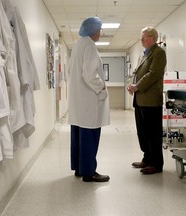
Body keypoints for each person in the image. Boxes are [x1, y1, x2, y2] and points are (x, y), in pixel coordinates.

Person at [68, 17, 110, 182]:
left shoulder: (78, 45)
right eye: (100, 30)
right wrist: (101, 87)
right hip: (89, 100)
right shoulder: (90, 46)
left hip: (79, 102)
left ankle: (80, 168)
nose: (101, 33)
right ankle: (89, 172)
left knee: (78, 135)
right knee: (89, 136)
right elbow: (90, 74)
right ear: (94, 31)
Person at [127, 26, 167, 175]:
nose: (141, 39)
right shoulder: (143, 55)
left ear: (153, 38)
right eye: (141, 36)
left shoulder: (159, 53)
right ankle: (147, 158)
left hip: (151, 101)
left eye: (144, 36)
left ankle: (156, 164)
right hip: (140, 100)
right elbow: (138, 73)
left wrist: (137, 86)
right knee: (143, 133)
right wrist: (132, 85)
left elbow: (153, 74)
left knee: (153, 133)